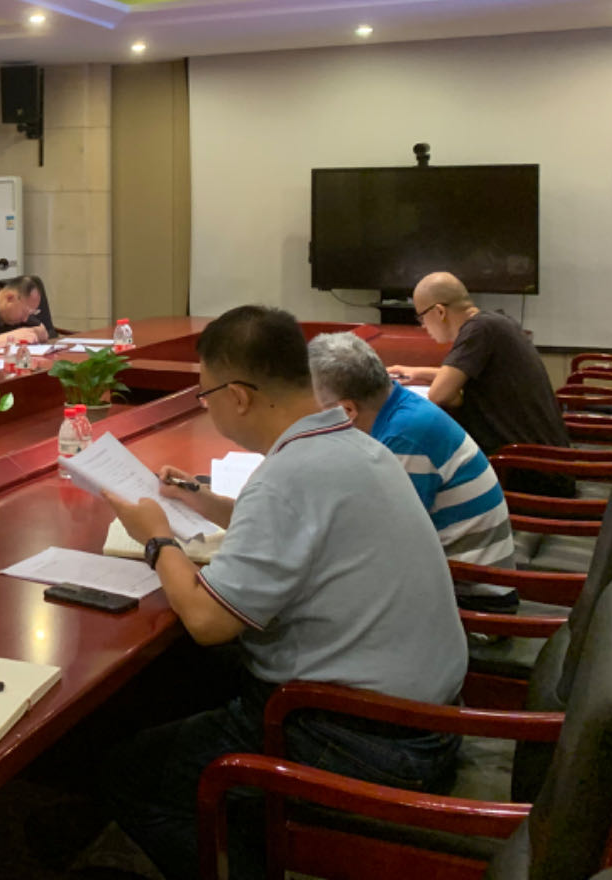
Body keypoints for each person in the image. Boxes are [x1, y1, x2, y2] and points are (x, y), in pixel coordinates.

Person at [101, 306, 466, 879]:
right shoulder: (354, 442)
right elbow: (296, 527)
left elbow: (207, 621)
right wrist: (200, 498)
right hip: (421, 715)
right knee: (183, 682)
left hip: (360, 736)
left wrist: (157, 539)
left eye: (206, 395)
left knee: (132, 775)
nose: (207, 406)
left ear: (238, 396)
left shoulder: (289, 476)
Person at [308, 331, 516, 611]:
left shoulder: (404, 440)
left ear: (346, 410)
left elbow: (380, 545)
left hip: (472, 599)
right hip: (456, 575)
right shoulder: (398, 407)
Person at [395, 271, 572, 496]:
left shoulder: (478, 330)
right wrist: (415, 371)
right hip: (547, 464)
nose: (423, 326)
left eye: (421, 317)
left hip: (528, 473)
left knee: (427, 472)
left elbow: (439, 395)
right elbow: (465, 375)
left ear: (439, 312)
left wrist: (453, 392)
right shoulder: (495, 322)